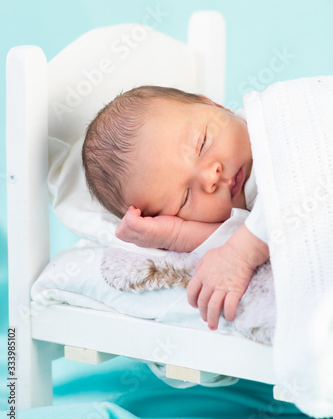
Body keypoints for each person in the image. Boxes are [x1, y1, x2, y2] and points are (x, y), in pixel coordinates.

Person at [82, 86, 270, 330]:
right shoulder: (244, 215)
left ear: (215, 105)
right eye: (185, 198)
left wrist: (240, 255)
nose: (209, 177)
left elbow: (295, 199)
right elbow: (245, 235)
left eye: (202, 143)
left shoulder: (271, 121)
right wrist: (176, 235)